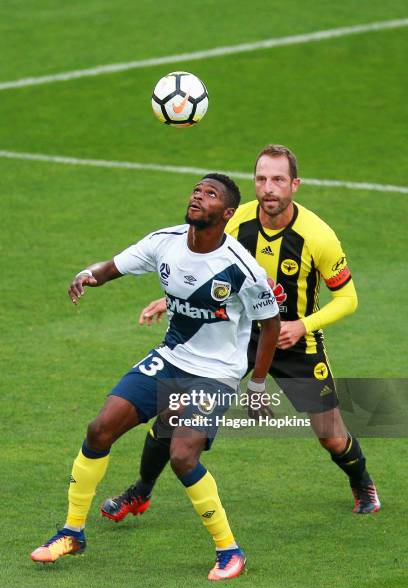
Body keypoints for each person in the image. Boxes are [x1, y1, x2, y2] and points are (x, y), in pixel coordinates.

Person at [101, 145, 380, 523]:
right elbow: (206, 267)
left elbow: (348, 298)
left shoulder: (318, 236)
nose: (269, 188)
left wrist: (302, 325)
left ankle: (361, 481)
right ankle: (140, 491)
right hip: (238, 336)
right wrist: (169, 300)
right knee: (172, 412)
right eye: (262, 179)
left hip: (296, 342)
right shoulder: (238, 220)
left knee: (331, 435)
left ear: (294, 184)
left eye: (278, 180)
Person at [30, 173, 280, 581]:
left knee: (183, 456)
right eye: (197, 190)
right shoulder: (164, 241)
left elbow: (269, 327)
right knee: (99, 429)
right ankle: (72, 532)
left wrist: (255, 386)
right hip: (170, 358)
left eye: (210, 194)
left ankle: (229, 550)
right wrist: (87, 275)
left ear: (228, 213)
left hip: (215, 374)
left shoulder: (242, 269)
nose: (199, 196)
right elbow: (111, 267)